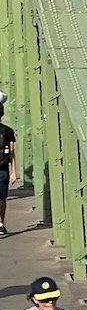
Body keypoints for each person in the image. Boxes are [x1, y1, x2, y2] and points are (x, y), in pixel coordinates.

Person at [0, 100, 16, 236]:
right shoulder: (8, 131)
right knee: (2, 198)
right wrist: (14, 171)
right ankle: (1, 223)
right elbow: (12, 152)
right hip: (3, 168)